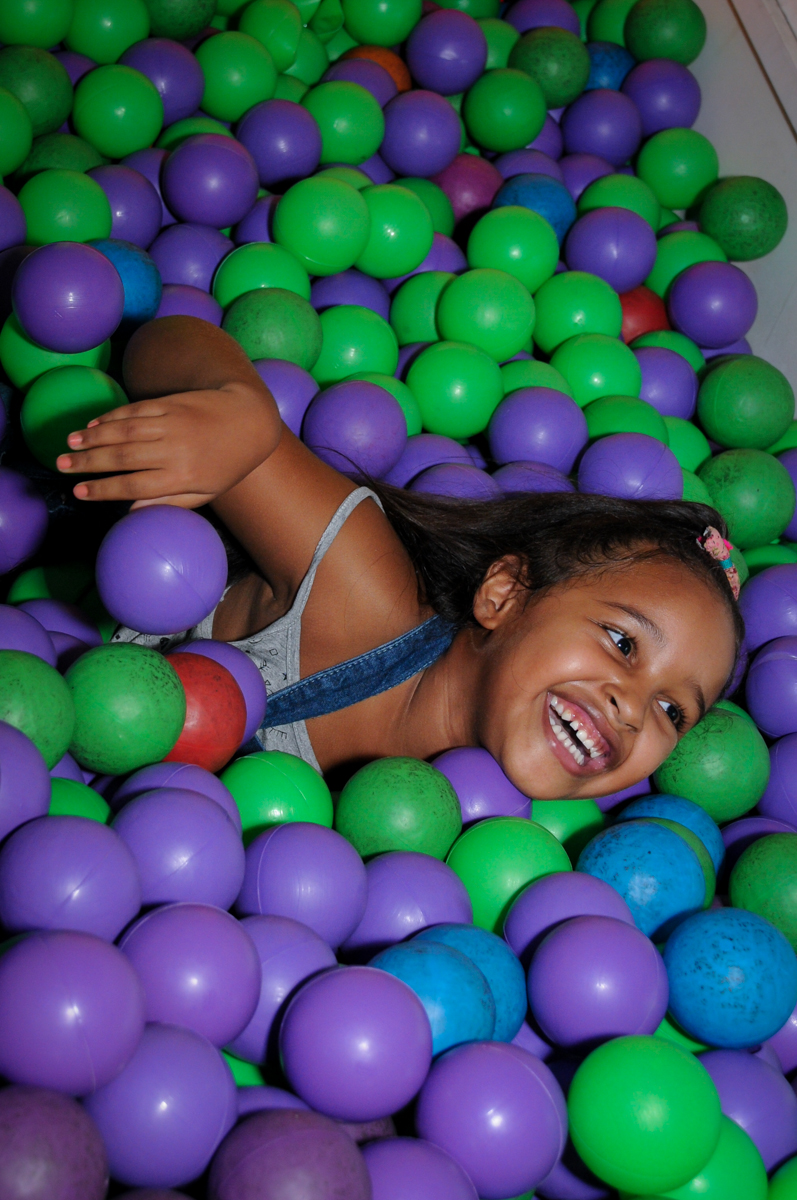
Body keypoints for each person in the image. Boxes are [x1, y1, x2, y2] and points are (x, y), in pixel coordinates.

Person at [55, 316, 743, 800]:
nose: (632, 712)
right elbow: (162, 340)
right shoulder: (361, 588)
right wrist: (240, 411)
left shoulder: (491, 852)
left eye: (672, 713)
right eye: (622, 641)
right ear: (503, 594)